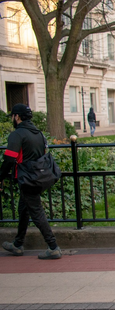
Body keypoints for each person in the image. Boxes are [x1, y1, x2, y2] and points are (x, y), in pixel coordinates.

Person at [1, 104, 62, 260]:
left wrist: (0, 177)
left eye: (13, 116)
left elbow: (9, 159)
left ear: (17, 117)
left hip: (26, 179)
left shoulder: (17, 134)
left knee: (36, 212)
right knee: (24, 209)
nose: (13, 120)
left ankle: (53, 247)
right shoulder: (38, 134)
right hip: (39, 177)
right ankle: (18, 244)